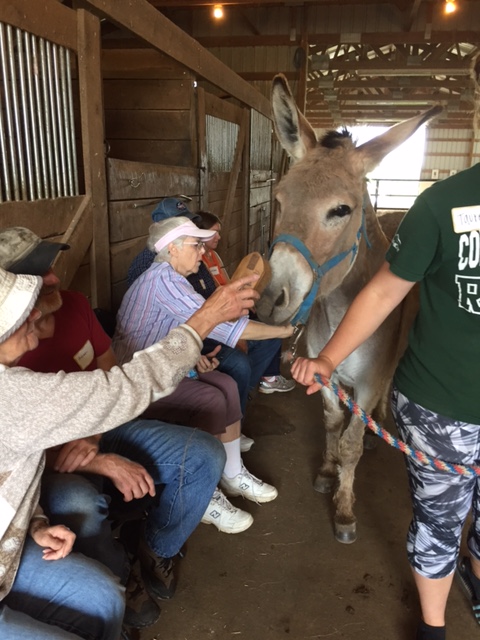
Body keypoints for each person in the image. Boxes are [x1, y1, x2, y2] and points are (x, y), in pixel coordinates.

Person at [290, 54, 480, 640]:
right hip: (444, 405)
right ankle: (432, 627)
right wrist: (322, 358)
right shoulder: (444, 204)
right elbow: (380, 294)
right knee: (438, 521)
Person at [0, 258, 258, 639]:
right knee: (80, 504)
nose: (37, 304)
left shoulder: (72, 307)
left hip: (91, 436)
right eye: (22, 309)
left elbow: (107, 380)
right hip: (68, 453)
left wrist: (34, 523)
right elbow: (125, 387)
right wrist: (205, 319)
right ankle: (122, 570)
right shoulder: (13, 393)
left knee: (103, 598)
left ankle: (155, 550)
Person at [114, 218, 283, 531]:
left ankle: (232, 473)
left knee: (227, 384)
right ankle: (204, 493)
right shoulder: (164, 279)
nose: (203, 251)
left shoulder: (172, 277)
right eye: (196, 244)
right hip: (139, 381)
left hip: (162, 365)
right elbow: (223, 326)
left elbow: (182, 329)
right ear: (173, 249)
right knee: (210, 398)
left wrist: (194, 356)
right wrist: (286, 329)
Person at [193, 210, 296, 397]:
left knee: (264, 321)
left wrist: (244, 302)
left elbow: (226, 284)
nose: (219, 236)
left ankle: (266, 377)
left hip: (226, 312)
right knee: (264, 340)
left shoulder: (213, 256)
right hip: (217, 322)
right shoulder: (196, 264)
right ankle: (250, 386)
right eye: (214, 232)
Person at [128, 197, 201, 287]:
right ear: (161, 227)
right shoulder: (145, 265)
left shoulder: (191, 251)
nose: (190, 225)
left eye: (190, 221)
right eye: (180, 224)